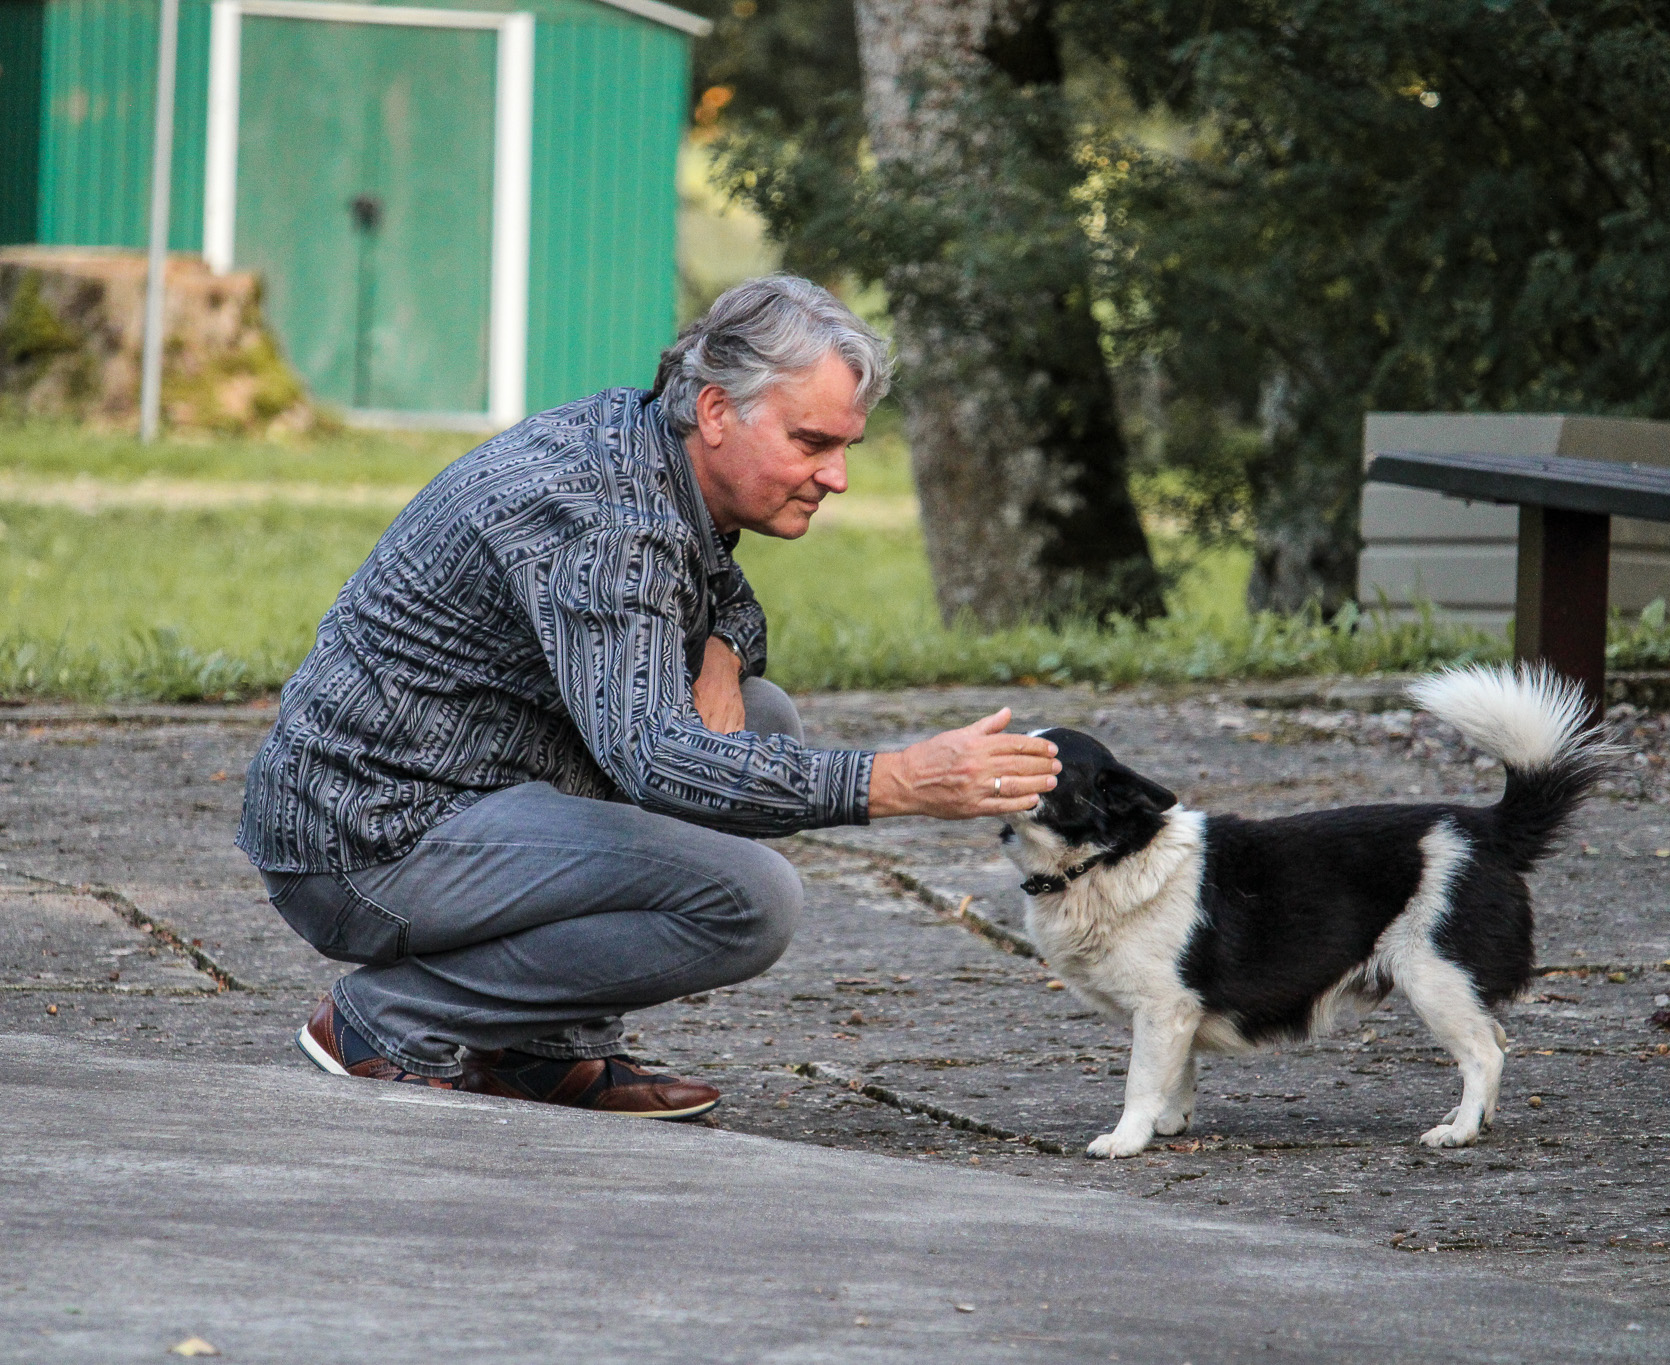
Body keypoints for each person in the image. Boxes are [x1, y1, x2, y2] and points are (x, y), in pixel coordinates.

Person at [238, 275, 1061, 1120]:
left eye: (845, 445)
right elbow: (658, 759)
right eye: (812, 441)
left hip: (476, 788)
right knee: (752, 901)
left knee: (759, 715)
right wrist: (894, 781)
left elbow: (723, 591)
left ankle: (539, 1049)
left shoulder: (646, 445)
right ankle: (391, 1020)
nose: (837, 476)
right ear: (714, 410)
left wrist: (720, 649)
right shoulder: (604, 519)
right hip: (369, 841)